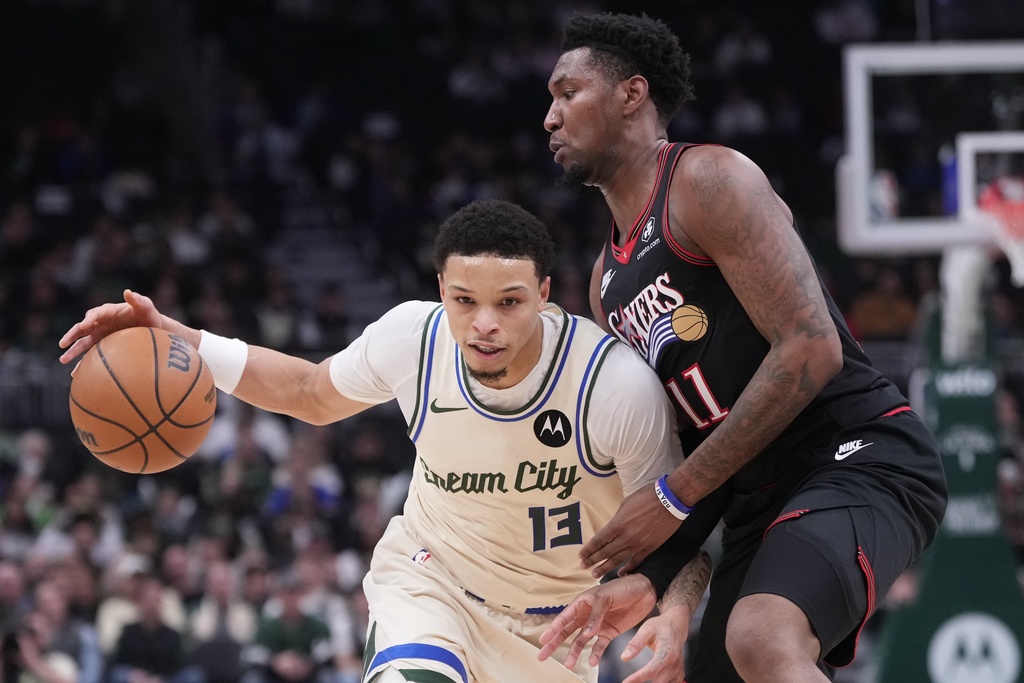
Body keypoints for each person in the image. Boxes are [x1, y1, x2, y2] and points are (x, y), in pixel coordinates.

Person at [60, 198, 711, 683]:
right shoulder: (414, 339)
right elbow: (312, 392)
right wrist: (186, 338)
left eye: (509, 302)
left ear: (543, 293)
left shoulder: (613, 387)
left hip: (557, 631)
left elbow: (681, 538)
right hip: (434, 581)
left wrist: (675, 611)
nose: (484, 324)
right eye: (464, 300)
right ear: (441, 292)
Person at [537, 12, 948, 683]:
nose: (550, 118)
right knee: (732, 660)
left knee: (760, 634)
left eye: (567, 93)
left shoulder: (707, 181)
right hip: (757, 495)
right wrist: (659, 586)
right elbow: (693, 452)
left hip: (855, 453)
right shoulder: (605, 285)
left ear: (632, 95)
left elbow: (811, 349)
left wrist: (675, 492)